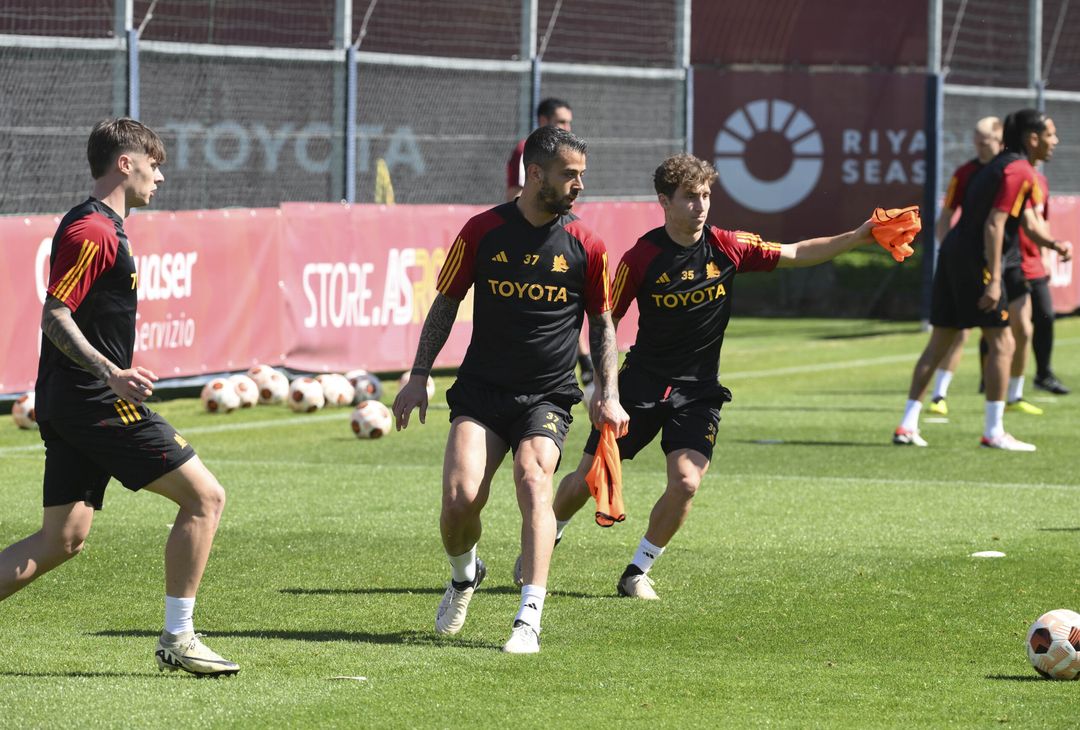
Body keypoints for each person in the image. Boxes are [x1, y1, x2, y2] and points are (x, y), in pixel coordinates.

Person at [515, 153, 902, 599]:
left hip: (698, 392)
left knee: (686, 482)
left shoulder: (728, 245)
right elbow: (604, 322)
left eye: (706, 196)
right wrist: (605, 390)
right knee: (587, 478)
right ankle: (546, 538)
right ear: (665, 201)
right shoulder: (642, 258)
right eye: (690, 197)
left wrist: (858, 236)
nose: (701, 206)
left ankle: (636, 571)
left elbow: (796, 252)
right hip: (640, 385)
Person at [0, 118, 238, 677]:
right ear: (124, 164)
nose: (161, 176)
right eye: (154, 164)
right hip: (93, 401)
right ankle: (178, 638)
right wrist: (111, 371)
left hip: (70, 399)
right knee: (206, 498)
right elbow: (54, 312)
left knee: (63, 539)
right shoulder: (94, 231)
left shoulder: (105, 227)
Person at [394, 125, 630, 653]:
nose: (579, 186)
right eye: (570, 175)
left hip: (547, 396)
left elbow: (603, 322)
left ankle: (528, 618)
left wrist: (606, 390)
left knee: (532, 479)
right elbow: (446, 303)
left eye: (582, 176)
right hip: (480, 391)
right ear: (536, 173)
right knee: (459, 502)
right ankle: (463, 576)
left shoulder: (587, 244)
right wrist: (418, 374)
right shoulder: (481, 231)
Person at [893, 109, 1070, 451]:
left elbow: (1027, 224)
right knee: (1003, 343)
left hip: (954, 254)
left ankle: (906, 424)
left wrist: (1052, 243)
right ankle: (994, 431)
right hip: (977, 260)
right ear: (1032, 138)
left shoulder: (997, 167)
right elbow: (994, 224)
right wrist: (994, 281)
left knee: (941, 340)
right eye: (1050, 134)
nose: (1055, 141)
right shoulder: (1019, 170)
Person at [505, 97, 596, 389]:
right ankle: (581, 365)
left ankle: (583, 365)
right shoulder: (526, 150)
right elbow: (513, 194)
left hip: (556, 236)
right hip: (530, 242)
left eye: (569, 121)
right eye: (560, 122)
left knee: (567, 299)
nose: (567, 127)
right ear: (543, 121)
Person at [925, 117, 1002, 416]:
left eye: (986, 140)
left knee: (1009, 331)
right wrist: (946, 250)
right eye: (977, 139)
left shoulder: (1008, 172)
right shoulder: (965, 173)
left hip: (997, 260)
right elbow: (945, 215)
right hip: (967, 260)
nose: (980, 145)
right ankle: (939, 395)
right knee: (960, 331)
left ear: (999, 138)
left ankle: (1011, 393)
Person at [1019, 165, 1071, 395]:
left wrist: (1046, 255)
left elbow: (1042, 220)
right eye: (1048, 135)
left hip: (1033, 262)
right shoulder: (1009, 176)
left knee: (1045, 315)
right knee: (1001, 325)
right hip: (1010, 261)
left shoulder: (1040, 180)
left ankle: (1043, 374)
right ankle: (989, 379)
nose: (1054, 141)